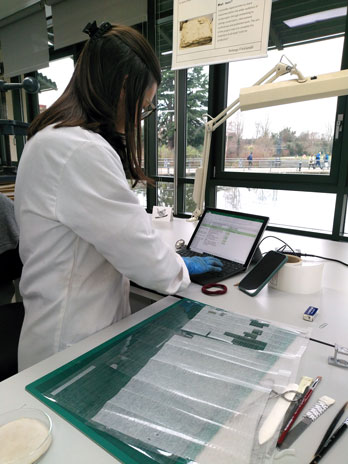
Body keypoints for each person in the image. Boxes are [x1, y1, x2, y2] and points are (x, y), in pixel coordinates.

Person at [14, 21, 222, 370]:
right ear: (123, 88)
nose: (138, 118)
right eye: (143, 106)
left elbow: (111, 230)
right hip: (71, 344)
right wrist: (179, 267)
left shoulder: (51, 138)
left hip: (61, 327)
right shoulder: (79, 150)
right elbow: (147, 261)